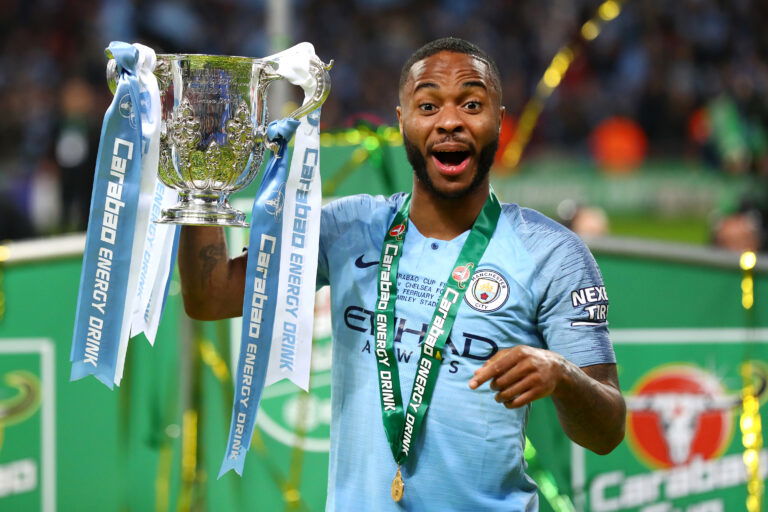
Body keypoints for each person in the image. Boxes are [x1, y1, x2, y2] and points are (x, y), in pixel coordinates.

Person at [179, 37, 625, 511]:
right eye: (428, 105)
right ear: (401, 122)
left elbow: (606, 432)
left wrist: (564, 375)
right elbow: (211, 297)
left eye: (472, 104)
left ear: (498, 119)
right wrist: (199, 181)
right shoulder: (348, 228)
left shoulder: (552, 253)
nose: (449, 122)